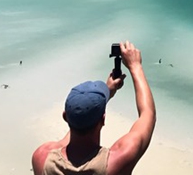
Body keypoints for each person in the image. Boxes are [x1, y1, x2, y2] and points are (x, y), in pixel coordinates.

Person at [31, 41, 156, 175]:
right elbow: (148, 114)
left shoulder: (42, 158)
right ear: (103, 119)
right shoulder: (115, 163)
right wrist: (135, 66)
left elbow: (77, 125)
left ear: (65, 117)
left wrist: (106, 94)